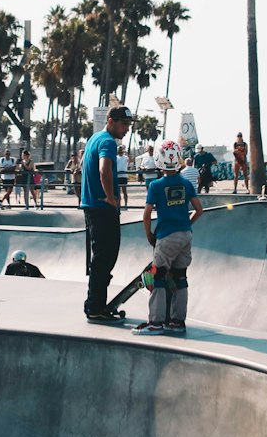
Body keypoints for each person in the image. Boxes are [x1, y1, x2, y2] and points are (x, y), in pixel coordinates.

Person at [137, 139, 203, 334]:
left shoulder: (156, 186)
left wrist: (149, 234)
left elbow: (147, 214)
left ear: (159, 160)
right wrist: (185, 225)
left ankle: (156, 322)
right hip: (186, 235)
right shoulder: (185, 183)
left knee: (157, 276)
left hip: (166, 237)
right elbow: (199, 210)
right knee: (180, 277)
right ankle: (177, 321)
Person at [81, 104, 133, 322]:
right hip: (102, 208)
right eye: (123, 124)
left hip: (91, 206)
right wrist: (111, 197)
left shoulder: (94, 138)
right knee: (105, 257)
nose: (126, 130)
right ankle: (95, 307)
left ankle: (95, 303)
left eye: (128, 125)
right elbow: (104, 169)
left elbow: (85, 164)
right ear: (110, 121)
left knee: (101, 258)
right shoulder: (108, 142)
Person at [115, 143, 130, 208]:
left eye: (121, 149)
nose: (120, 151)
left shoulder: (125, 157)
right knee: (118, 192)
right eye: (119, 150)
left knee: (124, 191)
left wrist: (126, 152)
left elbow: (131, 160)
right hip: (117, 176)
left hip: (124, 176)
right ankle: (119, 204)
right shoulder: (116, 157)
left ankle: (126, 204)